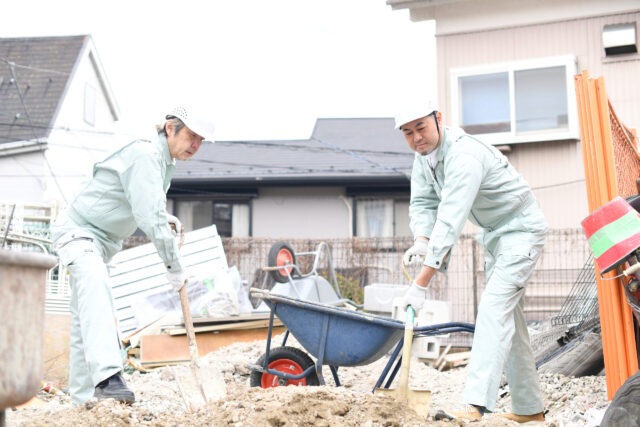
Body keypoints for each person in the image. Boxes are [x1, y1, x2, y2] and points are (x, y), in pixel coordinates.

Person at [51, 105, 215, 406]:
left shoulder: (164, 162)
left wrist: (162, 216)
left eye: (201, 140)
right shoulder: (146, 155)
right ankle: (108, 379)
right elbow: (147, 214)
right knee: (96, 286)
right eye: (192, 135)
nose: (196, 145)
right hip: (80, 231)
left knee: (83, 319)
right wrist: (173, 266)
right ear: (170, 128)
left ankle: (82, 401)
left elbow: (142, 201)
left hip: (102, 240)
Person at [397, 101, 547, 423]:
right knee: (512, 323)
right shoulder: (424, 159)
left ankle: (474, 406)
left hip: (521, 230)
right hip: (495, 236)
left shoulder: (464, 156)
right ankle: (529, 409)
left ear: (439, 119)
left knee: (492, 310)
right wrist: (422, 241)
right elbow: (423, 203)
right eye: (408, 133)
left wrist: (420, 284)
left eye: (421, 128)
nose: (416, 138)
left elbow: (451, 220)